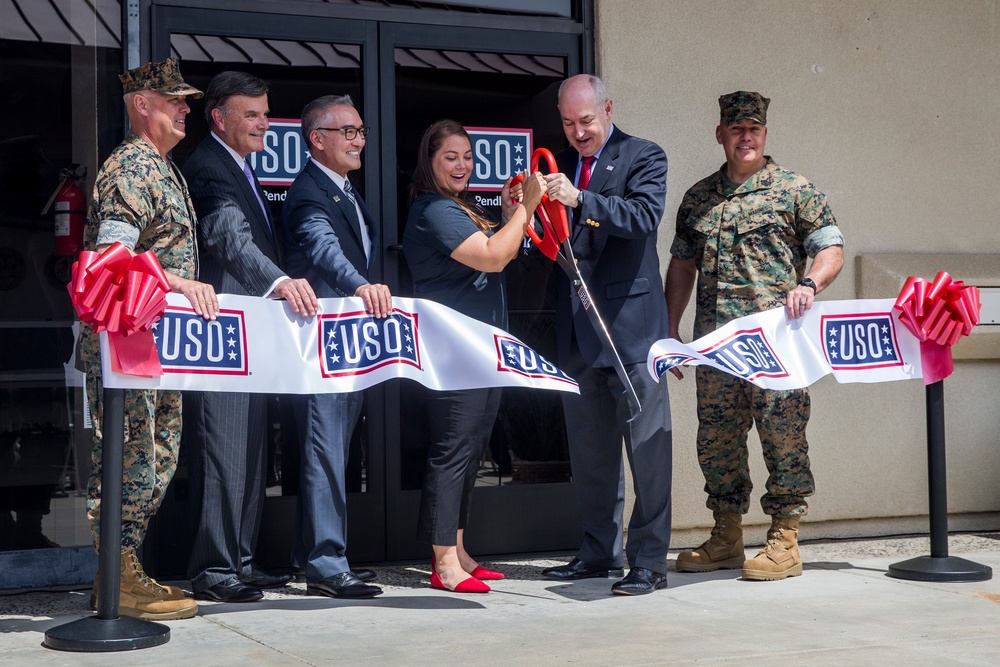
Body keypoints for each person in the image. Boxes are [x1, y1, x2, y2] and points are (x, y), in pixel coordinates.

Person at [664, 91, 845, 581]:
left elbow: (830, 247)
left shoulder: (793, 189)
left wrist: (810, 283)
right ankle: (726, 535)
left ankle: (785, 538)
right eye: (737, 129)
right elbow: (681, 265)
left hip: (776, 346)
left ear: (765, 135)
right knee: (717, 439)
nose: (746, 137)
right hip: (718, 346)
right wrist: (670, 328)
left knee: (782, 435)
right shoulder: (700, 197)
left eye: (755, 130)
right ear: (720, 135)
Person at [78, 57, 218, 620]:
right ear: (143, 105)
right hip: (126, 341)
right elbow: (112, 258)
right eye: (176, 100)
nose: (187, 109)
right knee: (130, 456)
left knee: (157, 454)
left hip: (157, 343)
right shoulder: (132, 167)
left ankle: (122, 570)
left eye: (187, 100)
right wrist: (181, 280)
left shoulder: (162, 167)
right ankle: (116, 579)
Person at [182, 71, 318, 603]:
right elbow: (228, 238)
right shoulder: (209, 166)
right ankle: (214, 570)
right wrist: (280, 282)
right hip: (222, 338)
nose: (264, 123)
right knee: (225, 452)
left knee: (253, 451)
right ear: (219, 118)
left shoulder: (242, 165)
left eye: (266, 113)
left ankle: (239, 560)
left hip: (252, 340)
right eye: (251, 114)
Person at [539, 74, 674, 595]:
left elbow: (643, 217)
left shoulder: (643, 155)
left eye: (587, 121)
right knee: (592, 454)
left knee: (648, 452)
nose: (578, 133)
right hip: (579, 334)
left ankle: (648, 562)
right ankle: (598, 553)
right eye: (569, 124)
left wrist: (580, 200)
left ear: (608, 108)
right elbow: (555, 245)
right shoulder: (559, 164)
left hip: (633, 332)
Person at [402, 120, 544, 593]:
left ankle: (460, 552)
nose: (462, 165)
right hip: (454, 350)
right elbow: (491, 257)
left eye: (467, 157)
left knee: (470, 450)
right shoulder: (434, 209)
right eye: (450, 157)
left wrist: (509, 215)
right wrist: (526, 207)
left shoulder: (458, 206)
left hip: (479, 349)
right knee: (452, 451)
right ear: (431, 161)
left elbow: (497, 247)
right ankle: (444, 564)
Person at [282, 95, 390, 599]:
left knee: (335, 449)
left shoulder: (346, 191)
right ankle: (326, 563)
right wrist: (359, 286)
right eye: (346, 131)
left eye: (361, 130)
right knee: (324, 450)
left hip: (350, 345)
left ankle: (314, 556)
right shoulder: (308, 194)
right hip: (322, 346)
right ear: (316, 140)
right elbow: (322, 249)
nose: (359, 140)